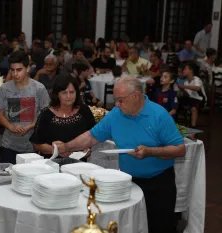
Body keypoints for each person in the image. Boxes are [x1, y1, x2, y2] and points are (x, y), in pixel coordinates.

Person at [54, 76, 185, 233]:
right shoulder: (116, 114)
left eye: (120, 100)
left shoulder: (159, 115)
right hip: (128, 183)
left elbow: (179, 149)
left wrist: (151, 151)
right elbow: (91, 136)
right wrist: (67, 146)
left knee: (159, 227)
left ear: (136, 96)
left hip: (159, 184)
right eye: (116, 100)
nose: (116, 104)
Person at [0, 50, 50, 164]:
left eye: (19, 70)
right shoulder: (5, 88)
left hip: (33, 145)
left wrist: (30, 126)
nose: (15, 74)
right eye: (12, 70)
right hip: (8, 145)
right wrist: (11, 127)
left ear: (28, 68)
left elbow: (46, 115)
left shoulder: (39, 89)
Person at [30, 74, 95, 157]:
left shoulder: (84, 111)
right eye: (64, 93)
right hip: (53, 164)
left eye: (72, 92)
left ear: (77, 92)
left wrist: (87, 148)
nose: (69, 96)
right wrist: (55, 150)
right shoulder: (46, 114)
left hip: (79, 164)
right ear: (57, 94)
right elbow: (36, 144)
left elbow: (93, 136)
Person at [177, 63, 206, 127]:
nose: (183, 71)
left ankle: (193, 127)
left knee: (193, 108)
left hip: (200, 99)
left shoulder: (196, 79)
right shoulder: (185, 81)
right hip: (191, 98)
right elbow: (188, 94)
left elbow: (197, 88)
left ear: (191, 70)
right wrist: (182, 90)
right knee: (176, 102)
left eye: (185, 69)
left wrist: (184, 86)